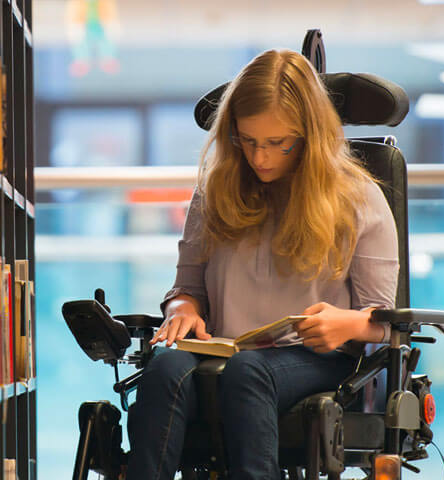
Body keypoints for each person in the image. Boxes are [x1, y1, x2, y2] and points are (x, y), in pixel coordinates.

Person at [126, 49, 399, 480]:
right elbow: (188, 289)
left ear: (311, 136)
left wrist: (346, 324)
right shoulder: (215, 191)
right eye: (247, 141)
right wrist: (181, 309)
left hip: (315, 357)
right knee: (164, 368)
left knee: (248, 371)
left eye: (277, 143)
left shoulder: (359, 198)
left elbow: (384, 321)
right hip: (225, 348)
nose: (260, 158)